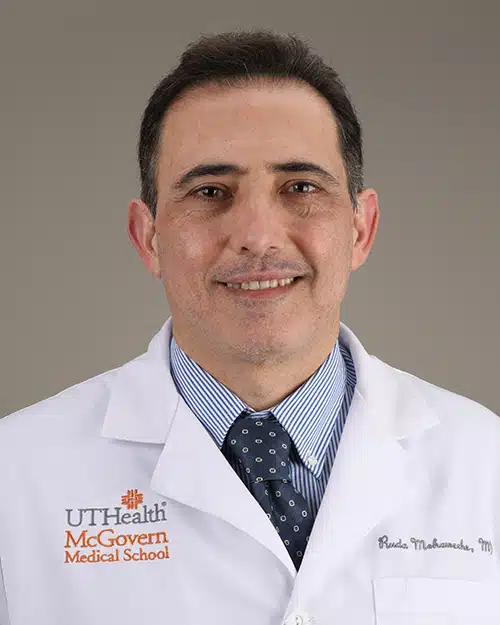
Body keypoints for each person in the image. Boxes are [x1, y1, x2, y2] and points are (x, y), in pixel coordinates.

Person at [1, 30, 499, 625]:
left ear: (360, 229)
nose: (258, 237)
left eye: (301, 187)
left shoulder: (484, 462)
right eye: (210, 191)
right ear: (148, 237)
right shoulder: (16, 476)